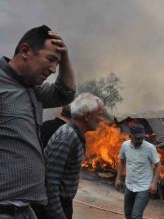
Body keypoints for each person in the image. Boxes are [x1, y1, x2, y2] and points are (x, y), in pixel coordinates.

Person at [0, 25, 75, 219]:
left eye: (57, 63)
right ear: (25, 51)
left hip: (26, 210)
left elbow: (64, 93)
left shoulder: (33, 89)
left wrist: (64, 57)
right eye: (51, 59)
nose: (53, 69)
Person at [43, 93, 105, 219]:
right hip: (56, 206)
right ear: (87, 116)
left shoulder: (74, 135)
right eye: (99, 114)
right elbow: (50, 184)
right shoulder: (67, 136)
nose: (101, 119)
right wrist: (59, 215)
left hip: (64, 203)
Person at [115, 124, 161, 219]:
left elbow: (158, 165)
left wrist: (154, 183)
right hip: (129, 185)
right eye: (137, 138)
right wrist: (118, 178)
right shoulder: (125, 145)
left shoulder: (150, 148)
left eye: (142, 138)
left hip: (144, 187)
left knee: (136, 215)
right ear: (130, 136)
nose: (140, 140)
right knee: (128, 214)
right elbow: (122, 161)